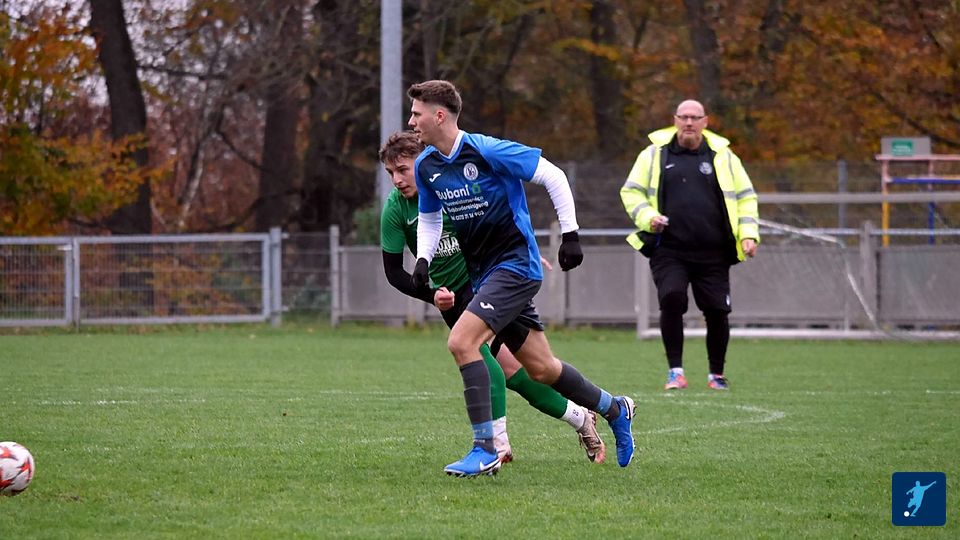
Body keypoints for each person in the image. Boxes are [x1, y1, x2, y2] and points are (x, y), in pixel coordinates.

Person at [406, 79, 635, 477]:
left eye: (416, 113)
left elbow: (554, 176)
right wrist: (423, 259)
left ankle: (485, 448)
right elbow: (429, 218)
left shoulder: (487, 150)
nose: (411, 121)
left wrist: (571, 235)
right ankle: (615, 409)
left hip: (515, 266)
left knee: (462, 342)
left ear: (439, 115)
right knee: (542, 369)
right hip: (485, 275)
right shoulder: (427, 166)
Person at [378, 130, 607, 465]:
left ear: (425, 162)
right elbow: (394, 272)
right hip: (452, 299)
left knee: (491, 363)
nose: (397, 180)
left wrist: (520, 257)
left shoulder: (452, 189)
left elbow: (497, 224)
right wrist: (432, 295)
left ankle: (495, 446)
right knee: (522, 373)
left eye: (403, 169)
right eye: (390, 173)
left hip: (484, 284)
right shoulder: (396, 209)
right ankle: (585, 416)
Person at [620, 99, 759, 391]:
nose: (689, 122)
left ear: (705, 122)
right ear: (675, 120)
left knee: (717, 310)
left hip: (714, 251)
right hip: (669, 249)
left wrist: (749, 233)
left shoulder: (724, 156)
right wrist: (648, 217)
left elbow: (746, 197)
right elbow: (631, 192)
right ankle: (676, 372)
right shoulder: (654, 154)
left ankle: (716, 374)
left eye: (695, 117)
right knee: (672, 298)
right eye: (683, 117)